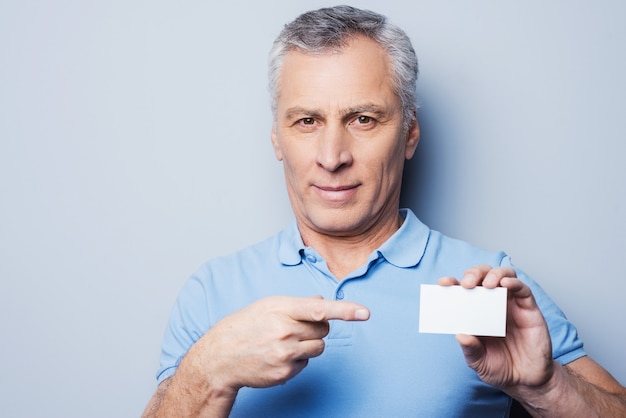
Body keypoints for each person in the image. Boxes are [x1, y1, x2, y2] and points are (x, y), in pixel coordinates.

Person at [143, 5, 626, 417]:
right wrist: (207, 372)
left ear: (410, 133)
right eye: (307, 121)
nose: (332, 156)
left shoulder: (482, 287)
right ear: (277, 137)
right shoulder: (213, 292)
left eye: (363, 119)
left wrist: (549, 389)